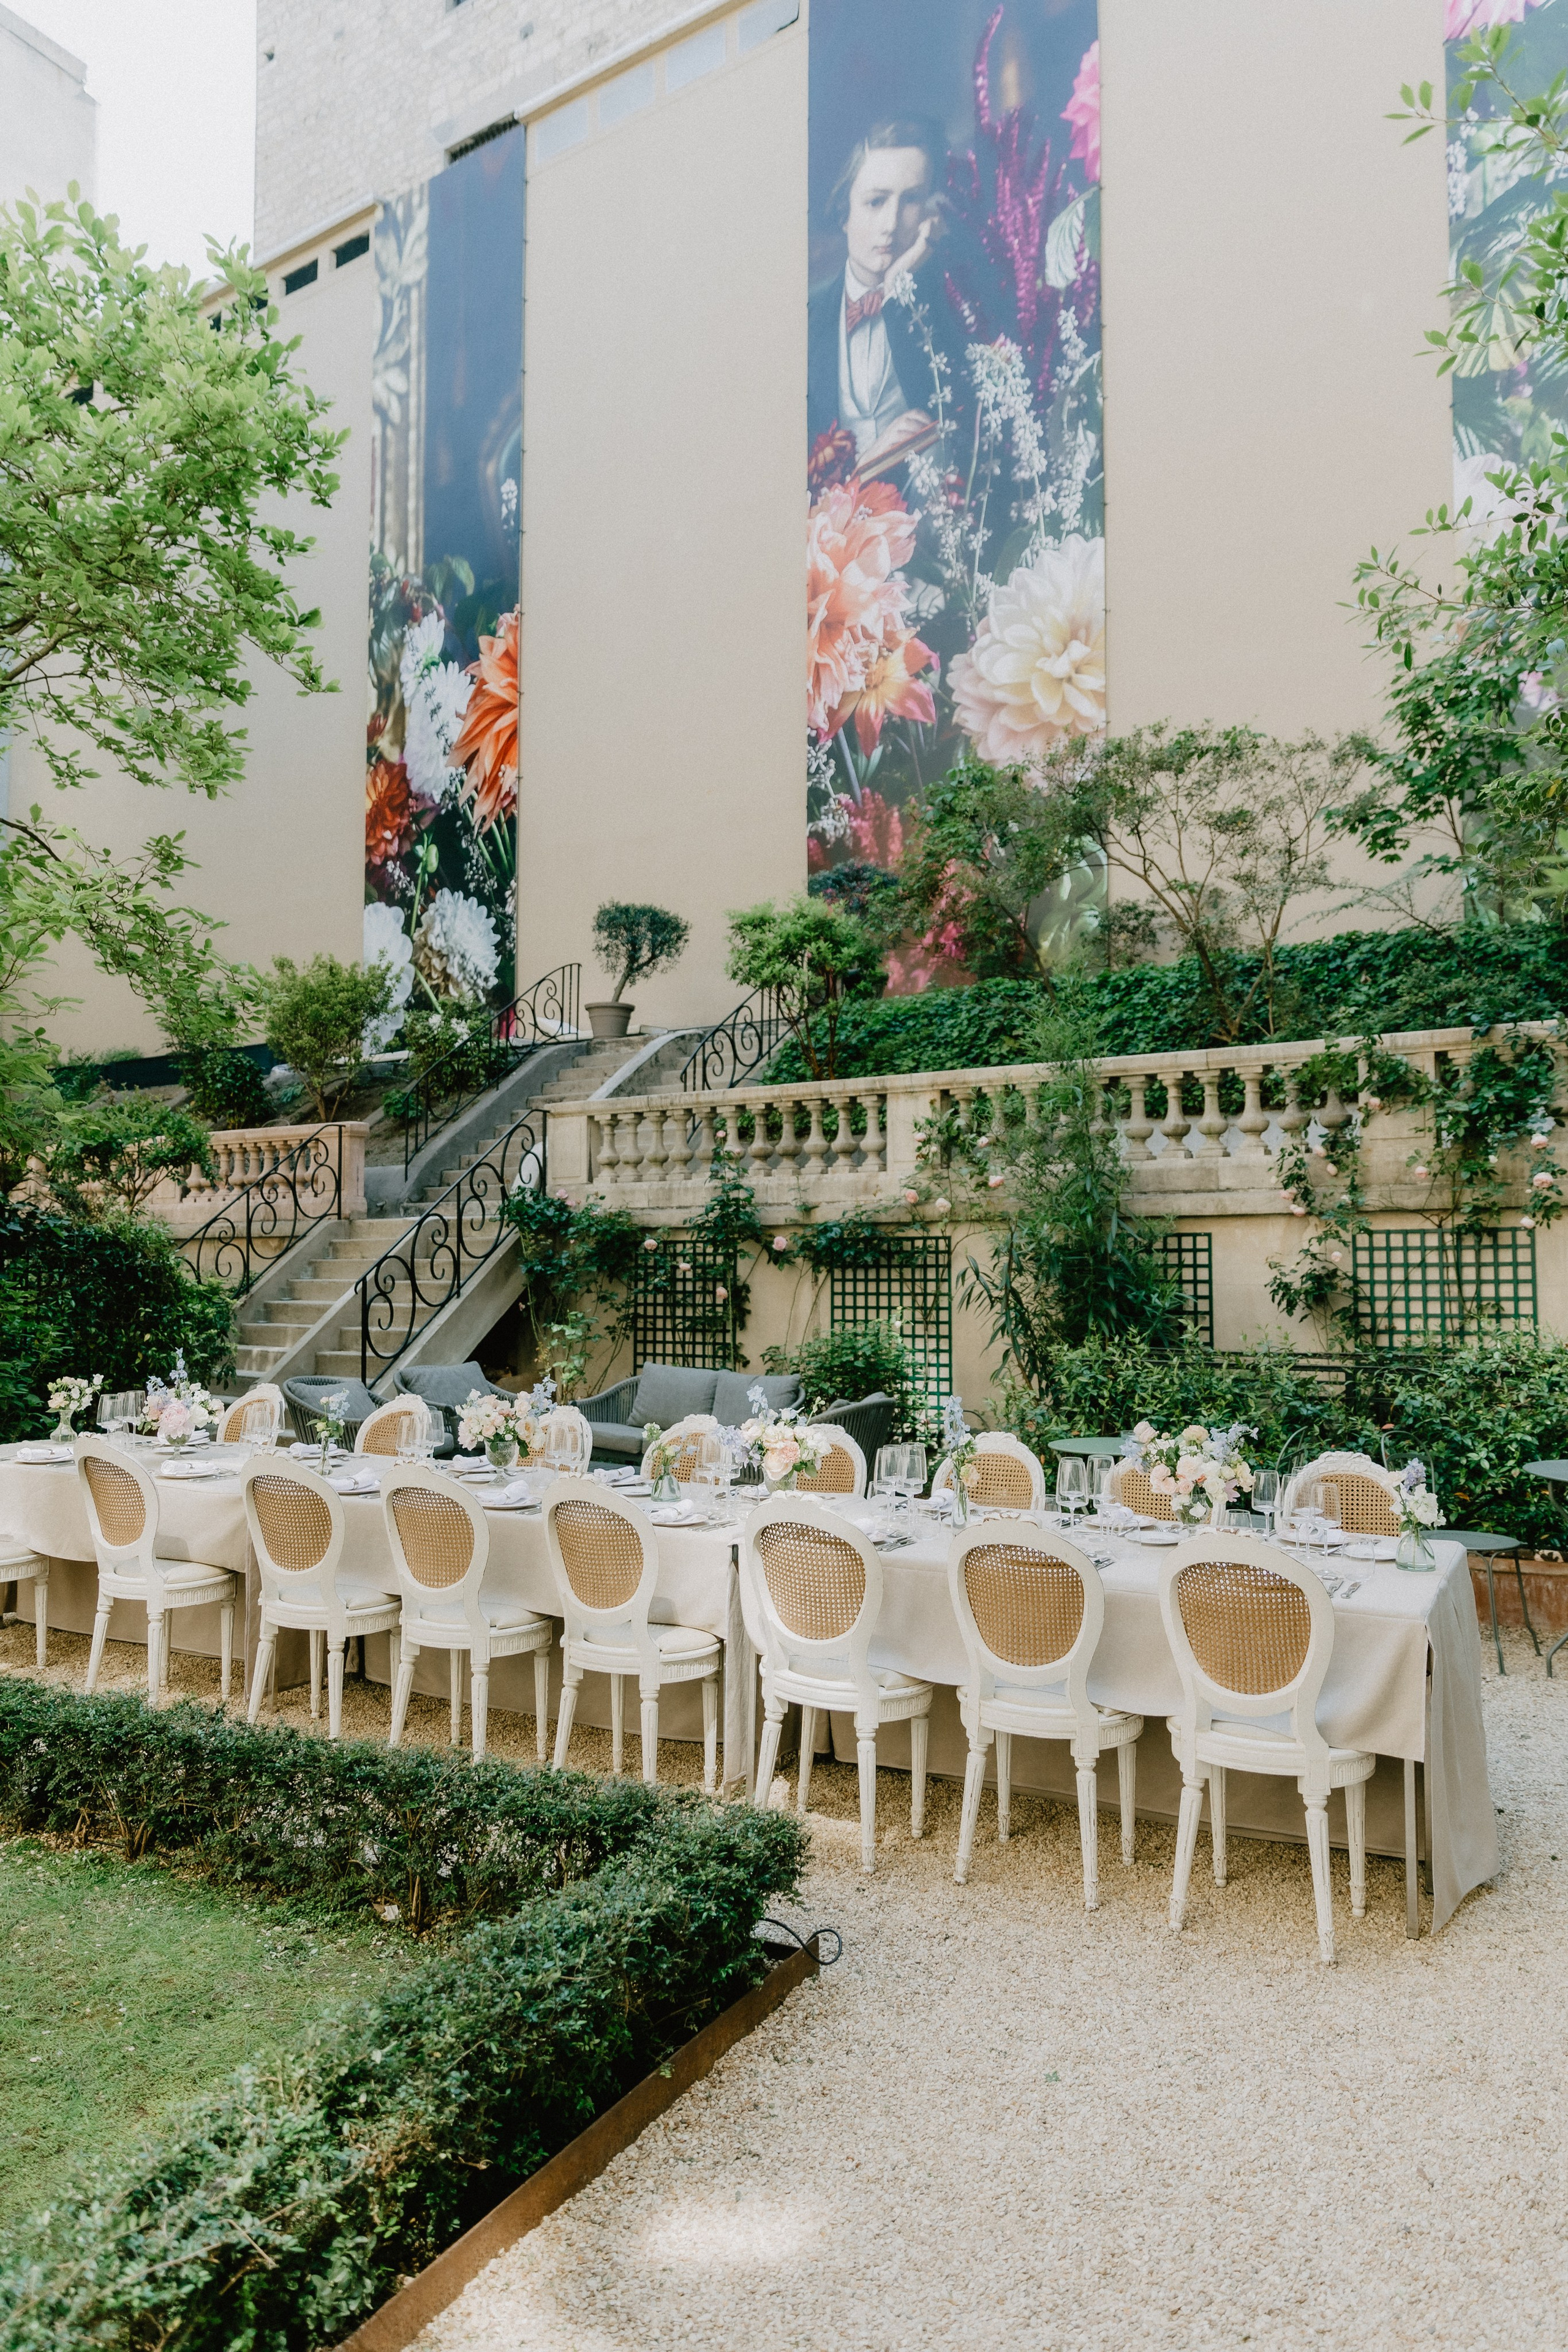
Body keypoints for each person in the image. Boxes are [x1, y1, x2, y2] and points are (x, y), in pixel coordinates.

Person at [809, 119, 955, 478]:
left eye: (911, 201)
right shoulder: (810, 318)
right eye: (876, 202)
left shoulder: (950, 304)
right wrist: (869, 465)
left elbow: (967, 440)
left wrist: (896, 288)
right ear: (845, 213)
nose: (891, 223)